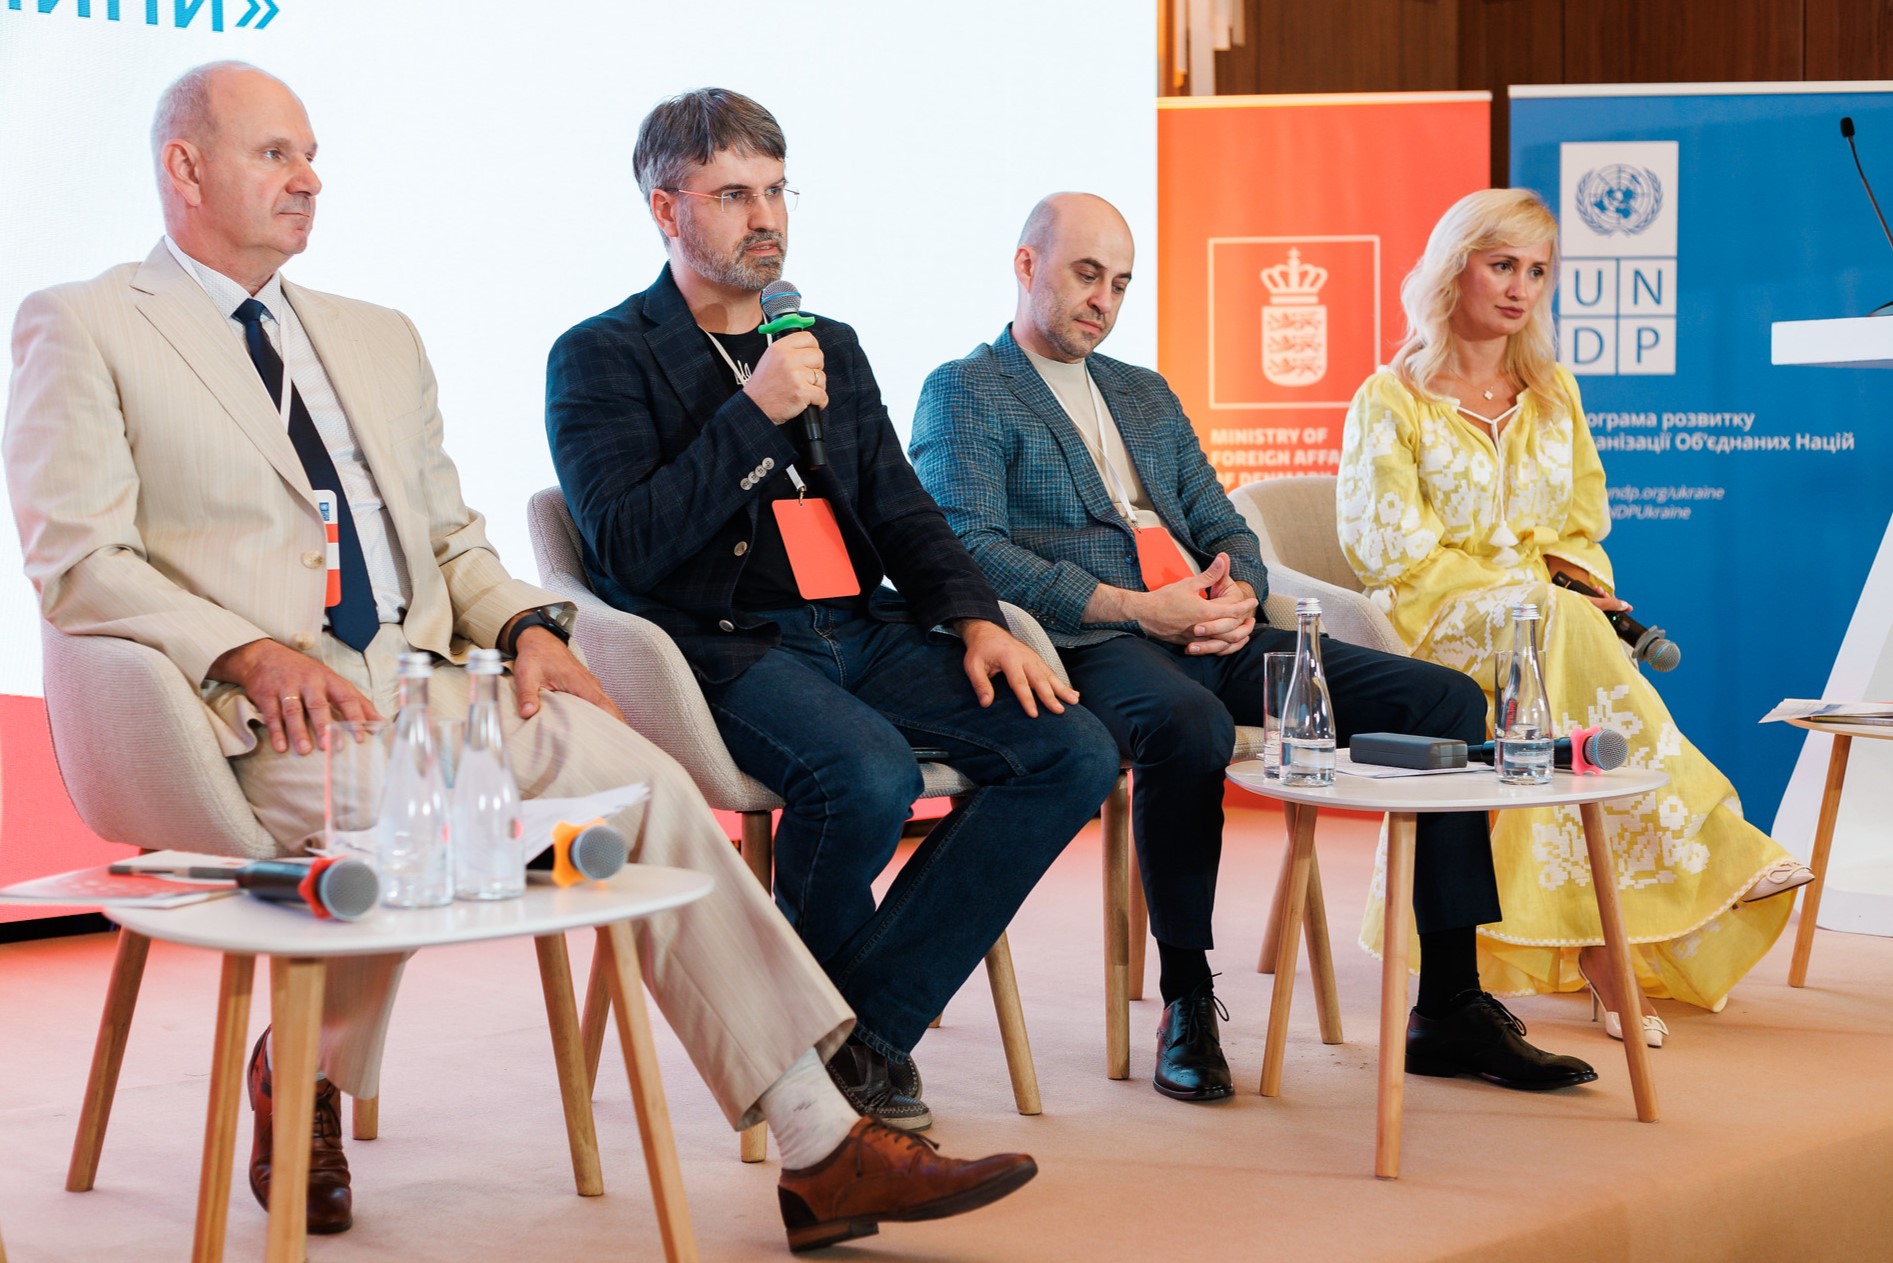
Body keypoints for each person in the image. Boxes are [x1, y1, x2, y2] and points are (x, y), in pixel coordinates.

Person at [3, 62, 1041, 1253]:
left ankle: (820, 1149)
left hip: (428, 688)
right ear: (184, 168)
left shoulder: (374, 338)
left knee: (645, 786)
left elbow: (451, 542)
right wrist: (241, 650)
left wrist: (526, 629)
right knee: (424, 823)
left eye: (311, 152)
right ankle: (301, 1070)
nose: (310, 178)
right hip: (245, 722)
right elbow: (78, 559)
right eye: (275, 156)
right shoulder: (83, 323)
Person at [910, 192, 1597, 1102]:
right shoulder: (965, 389)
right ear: (1026, 265)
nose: (1103, 300)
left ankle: (1450, 1002)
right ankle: (1187, 998)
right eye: (1085, 275)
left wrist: (1234, 587)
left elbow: (1224, 520)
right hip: (1093, 639)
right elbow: (970, 546)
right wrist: (1133, 606)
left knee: (1445, 702)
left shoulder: (1142, 392)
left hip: (1212, 629)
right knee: (1188, 726)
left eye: (1119, 283)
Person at [544, 91, 1120, 1132]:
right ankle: (849, 1055)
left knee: (1072, 751)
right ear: (667, 212)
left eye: (775, 191)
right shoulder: (600, 356)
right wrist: (753, 410)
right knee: (864, 777)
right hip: (722, 647)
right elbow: (627, 544)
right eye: (732, 195)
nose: (765, 217)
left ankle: (859, 1037)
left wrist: (975, 617)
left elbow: (899, 507)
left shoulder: (827, 343)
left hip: (857, 629)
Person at [1336, 188, 1814, 1044]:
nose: (1519, 288)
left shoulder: (1553, 391)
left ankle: (1599, 941)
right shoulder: (1391, 397)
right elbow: (1388, 550)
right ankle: (1707, 847)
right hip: (1428, 618)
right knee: (1549, 630)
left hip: (1540, 627)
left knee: (1557, 642)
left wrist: (1573, 578)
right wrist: (1527, 591)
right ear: (1455, 268)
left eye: (1536, 271)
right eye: (1501, 264)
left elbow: (1580, 523)